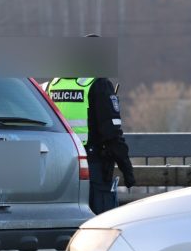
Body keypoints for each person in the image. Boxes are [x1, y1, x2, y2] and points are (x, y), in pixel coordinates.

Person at [47, 73, 136, 215]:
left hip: (59, 166)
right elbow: (112, 134)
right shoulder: (99, 84)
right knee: (99, 222)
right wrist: (127, 169)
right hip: (92, 168)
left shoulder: (54, 84)